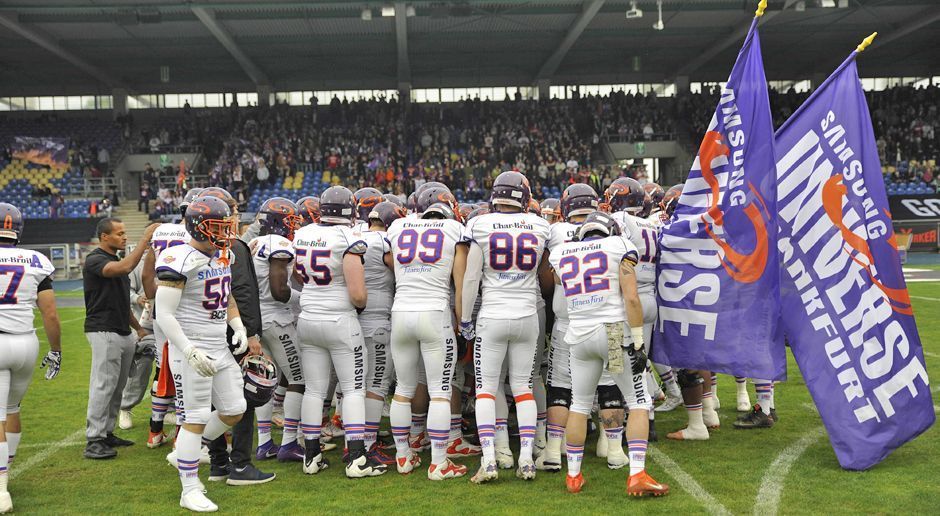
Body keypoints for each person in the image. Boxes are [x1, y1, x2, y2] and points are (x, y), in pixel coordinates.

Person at [548, 211, 667, 496]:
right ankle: (637, 473)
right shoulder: (619, 246)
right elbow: (631, 297)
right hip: (613, 331)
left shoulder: (561, 252)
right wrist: (637, 340)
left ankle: (574, 476)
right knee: (638, 401)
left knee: (579, 404)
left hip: (578, 334)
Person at [154, 195, 250, 512]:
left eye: (227, 226)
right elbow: (164, 314)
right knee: (193, 419)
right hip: (191, 347)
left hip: (218, 345)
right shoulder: (178, 258)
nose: (225, 233)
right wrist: (189, 350)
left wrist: (237, 326)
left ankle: (186, 450)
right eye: (218, 226)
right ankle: (189, 489)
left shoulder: (222, 255)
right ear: (199, 226)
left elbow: (227, 297)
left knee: (235, 407)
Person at [458, 171, 551, 483]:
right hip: (527, 314)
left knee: (486, 388)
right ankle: (526, 458)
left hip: (493, 315)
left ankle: (489, 459)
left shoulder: (480, 224)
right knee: (523, 386)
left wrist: (465, 318)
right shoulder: (539, 225)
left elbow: (471, 278)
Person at [293, 186, 386, 478]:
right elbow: (358, 294)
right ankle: (357, 459)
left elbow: (298, 276)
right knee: (354, 389)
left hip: (308, 318)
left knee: (314, 389)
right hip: (339, 320)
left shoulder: (303, 234)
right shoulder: (348, 238)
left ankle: (311, 456)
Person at [386, 195, 467, 480]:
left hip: (401, 312)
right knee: (440, 392)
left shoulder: (398, 226)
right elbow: (460, 283)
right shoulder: (454, 230)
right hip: (434, 312)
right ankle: (439, 463)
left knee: (403, 390)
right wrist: (462, 321)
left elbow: (389, 261)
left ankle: (403, 456)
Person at [196, 188, 270, 486]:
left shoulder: (197, 247)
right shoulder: (232, 246)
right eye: (233, 209)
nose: (237, 215)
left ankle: (217, 464)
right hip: (232, 332)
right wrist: (251, 332)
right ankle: (240, 464)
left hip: (206, 331)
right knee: (244, 399)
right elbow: (239, 292)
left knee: (214, 400)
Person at [0, 203, 62, 514]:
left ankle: (0, 490)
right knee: (11, 409)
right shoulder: (36, 260)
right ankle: (5, 473)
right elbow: (49, 313)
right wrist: (57, 350)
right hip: (26, 342)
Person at [83, 217, 157, 460]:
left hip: (123, 330)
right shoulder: (96, 259)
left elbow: (123, 302)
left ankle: (107, 432)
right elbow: (125, 268)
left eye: (125, 233)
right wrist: (145, 240)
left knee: (117, 387)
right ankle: (94, 438)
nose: (124, 237)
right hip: (103, 330)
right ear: (105, 236)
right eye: (119, 233)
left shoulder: (115, 260)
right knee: (103, 385)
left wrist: (138, 328)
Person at [248, 198, 307, 462]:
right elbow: (279, 290)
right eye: (291, 220)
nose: (293, 225)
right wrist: (304, 299)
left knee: (267, 382)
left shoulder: (255, 243)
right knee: (299, 379)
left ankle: (264, 443)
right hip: (277, 320)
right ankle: (289, 443)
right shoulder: (278, 245)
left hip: (259, 320)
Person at [117, 260, 156, 431]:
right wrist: (137, 298)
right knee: (141, 367)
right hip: (145, 326)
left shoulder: (183, 258)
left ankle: (170, 408)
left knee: (171, 370)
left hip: (175, 326)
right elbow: (126, 289)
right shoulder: (140, 264)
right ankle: (125, 407)